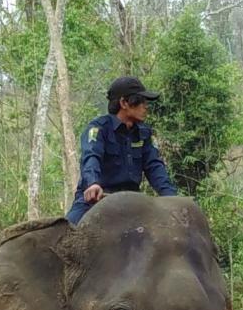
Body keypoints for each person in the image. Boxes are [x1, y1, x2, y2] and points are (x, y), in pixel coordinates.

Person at [66, 75, 177, 224]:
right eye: (140, 101)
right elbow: (91, 156)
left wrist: (171, 198)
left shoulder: (144, 133)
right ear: (124, 103)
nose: (145, 106)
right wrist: (93, 183)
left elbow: (154, 166)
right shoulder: (98, 129)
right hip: (96, 197)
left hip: (132, 200)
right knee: (65, 234)